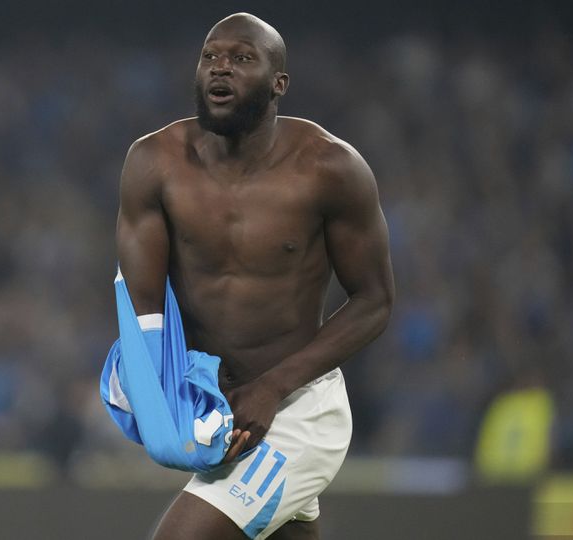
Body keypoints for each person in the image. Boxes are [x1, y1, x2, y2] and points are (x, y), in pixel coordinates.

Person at [115, 12, 395, 540]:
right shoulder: (154, 162)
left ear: (278, 83)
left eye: (242, 59)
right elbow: (142, 303)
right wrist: (151, 383)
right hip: (221, 417)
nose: (220, 68)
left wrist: (271, 387)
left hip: (297, 410)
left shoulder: (331, 168)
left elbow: (374, 300)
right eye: (210, 57)